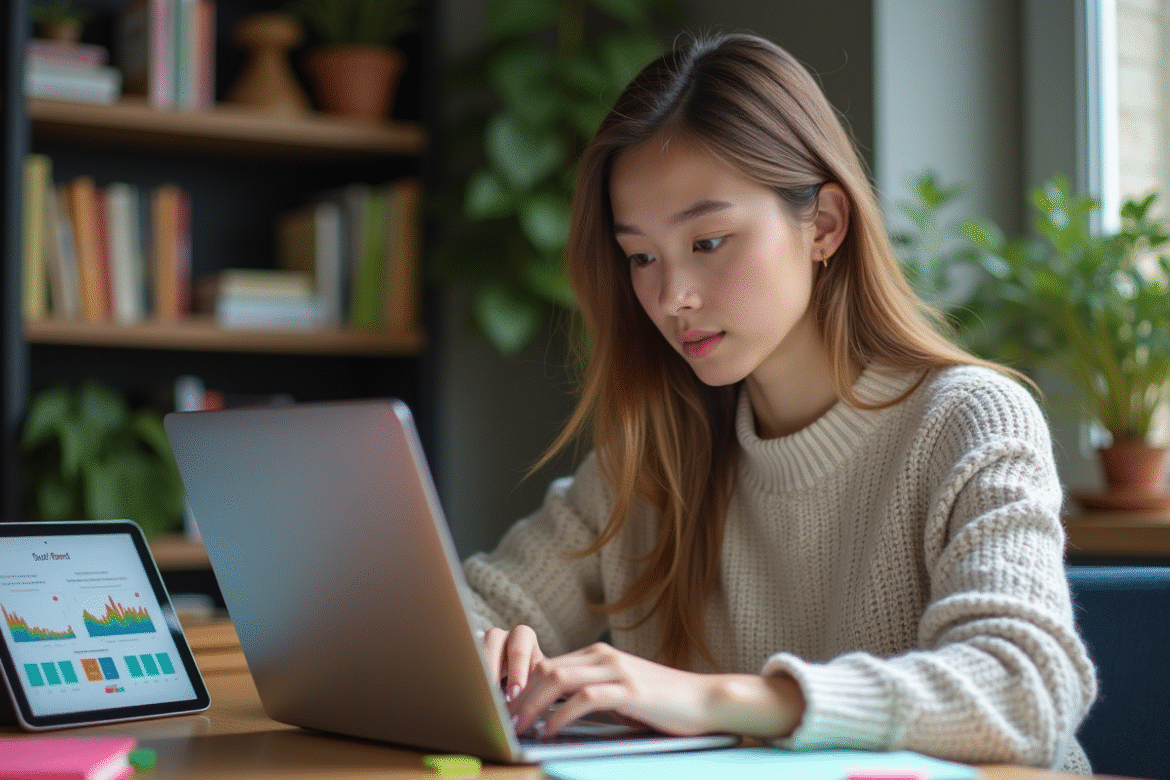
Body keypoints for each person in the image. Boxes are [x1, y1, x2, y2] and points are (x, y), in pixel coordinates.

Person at [462, 32, 1097, 773]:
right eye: (641, 256)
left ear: (823, 224)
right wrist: (486, 652)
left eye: (708, 241)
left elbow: (1026, 690)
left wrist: (717, 699)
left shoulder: (969, 421)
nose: (670, 297)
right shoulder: (655, 462)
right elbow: (459, 614)